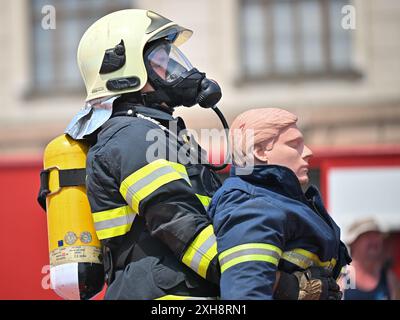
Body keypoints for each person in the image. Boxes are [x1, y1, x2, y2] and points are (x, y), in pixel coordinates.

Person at [65, 9, 225, 300]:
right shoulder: (131, 138)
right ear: (125, 72)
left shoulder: (161, 134)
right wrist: (262, 279)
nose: (176, 71)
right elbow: (180, 224)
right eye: (162, 62)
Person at [207, 108, 352, 300]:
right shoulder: (252, 205)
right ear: (259, 151)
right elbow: (247, 293)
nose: (308, 152)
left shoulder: (275, 201)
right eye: (294, 145)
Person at [342, 218, 400, 300]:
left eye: (377, 235)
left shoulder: (389, 278)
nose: (374, 240)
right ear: (353, 242)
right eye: (367, 235)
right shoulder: (341, 276)